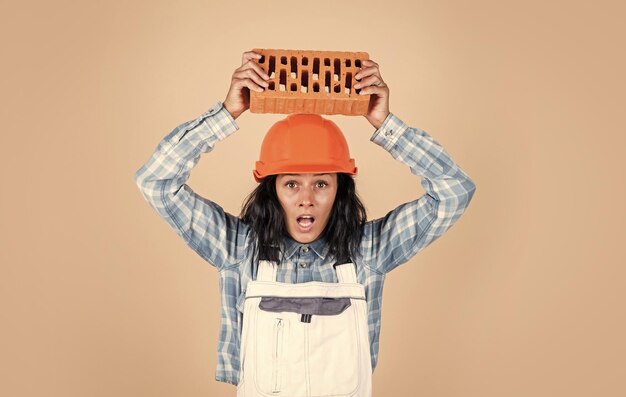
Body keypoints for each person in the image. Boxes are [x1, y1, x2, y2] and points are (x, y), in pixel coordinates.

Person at [133, 50, 477, 388]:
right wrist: (226, 114)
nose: (307, 200)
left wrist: (386, 125)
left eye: (322, 184)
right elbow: (156, 182)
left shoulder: (370, 251)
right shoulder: (237, 248)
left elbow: (454, 192)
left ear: (340, 190)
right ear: (272, 191)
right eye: (292, 184)